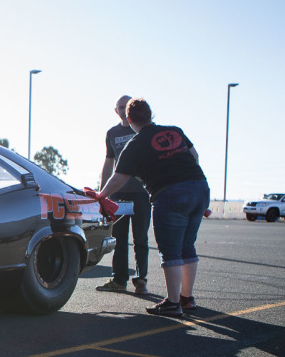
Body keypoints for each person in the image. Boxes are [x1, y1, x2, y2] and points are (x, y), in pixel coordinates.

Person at [87, 98, 210, 318]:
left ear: (129, 119)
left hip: (170, 194)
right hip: (200, 188)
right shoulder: (175, 131)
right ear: (151, 114)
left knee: (170, 250)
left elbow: (117, 178)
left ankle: (173, 303)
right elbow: (195, 157)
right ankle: (187, 299)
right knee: (187, 246)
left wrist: (101, 195)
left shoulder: (135, 144)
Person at [96, 95, 151, 294]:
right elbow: (108, 162)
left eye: (126, 107)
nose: (122, 110)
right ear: (116, 110)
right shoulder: (112, 133)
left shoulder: (144, 130)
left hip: (142, 193)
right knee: (118, 238)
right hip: (119, 194)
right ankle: (119, 280)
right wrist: (102, 195)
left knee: (141, 239)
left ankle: (141, 279)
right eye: (120, 107)